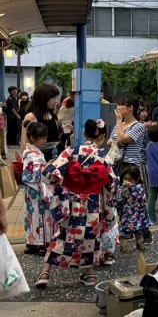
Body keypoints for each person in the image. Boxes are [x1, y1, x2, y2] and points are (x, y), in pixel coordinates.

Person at [35, 119, 116, 287]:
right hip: (93, 205)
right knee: (90, 238)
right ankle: (90, 275)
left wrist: (62, 185)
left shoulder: (71, 151)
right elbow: (111, 185)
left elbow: (49, 174)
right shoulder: (103, 156)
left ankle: (45, 272)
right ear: (102, 137)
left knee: (63, 235)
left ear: (84, 133)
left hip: (71, 203)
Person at [21, 121, 52, 255]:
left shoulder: (31, 151)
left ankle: (32, 243)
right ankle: (40, 244)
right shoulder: (31, 154)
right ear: (33, 138)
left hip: (32, 191)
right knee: (40, 216)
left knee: (31, 217)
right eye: (43, 138)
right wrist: (48, 166)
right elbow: (35, 174)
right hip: (36, 189)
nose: (45, 140)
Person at [108, 96, 147, 177]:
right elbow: (109, 143)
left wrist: (119, 121)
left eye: (121, 105)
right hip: (116, 163)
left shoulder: (138, 126)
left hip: (131, 166)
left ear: (130, 108)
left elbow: (123, 139)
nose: (118, 108)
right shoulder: (118, 126)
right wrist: (112, 143)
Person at [21, 84, 61, 160]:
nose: (55, 101)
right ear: (43, 98)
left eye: (55, 97)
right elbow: (25, 143)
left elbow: (54, 136)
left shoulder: (52, 114)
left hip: (56, 154)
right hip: (40, 157)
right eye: (52, 98)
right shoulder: (31, 116)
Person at [115, 166, 150, 251]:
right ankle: (124, 246)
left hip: (138, 214)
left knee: (139, 230)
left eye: (130, 179)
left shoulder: (139, 187)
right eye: (125, 179)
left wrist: (132, 188)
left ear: (137, 179)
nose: (127, 182)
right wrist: (123, 193)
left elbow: (140, 197)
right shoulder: (122, 189)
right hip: (126, 214)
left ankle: (140, 243)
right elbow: (118, 200)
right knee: (124, 231)